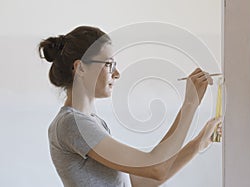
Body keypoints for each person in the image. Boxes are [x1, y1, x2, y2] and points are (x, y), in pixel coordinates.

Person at [38, 25, 222, 187]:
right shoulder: (72, 124)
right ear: (80, 68)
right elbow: (155, 168)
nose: (117, 73)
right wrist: (190, 103)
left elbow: (141, 180)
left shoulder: (92, 123)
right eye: (109, 64)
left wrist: (198, 144)